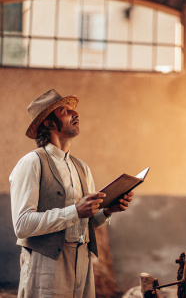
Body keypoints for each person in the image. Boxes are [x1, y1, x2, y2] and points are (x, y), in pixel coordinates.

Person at [9, 89, 134, 297]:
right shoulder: (32, 163)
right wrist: (75, 211)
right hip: (46, 264)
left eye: (73, 111)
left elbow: (84, 221)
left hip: (83, 262)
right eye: (65, 111)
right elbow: (22, 225)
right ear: (49, 123)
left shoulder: (82, 168)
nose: (76, 114)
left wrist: (107, 211)